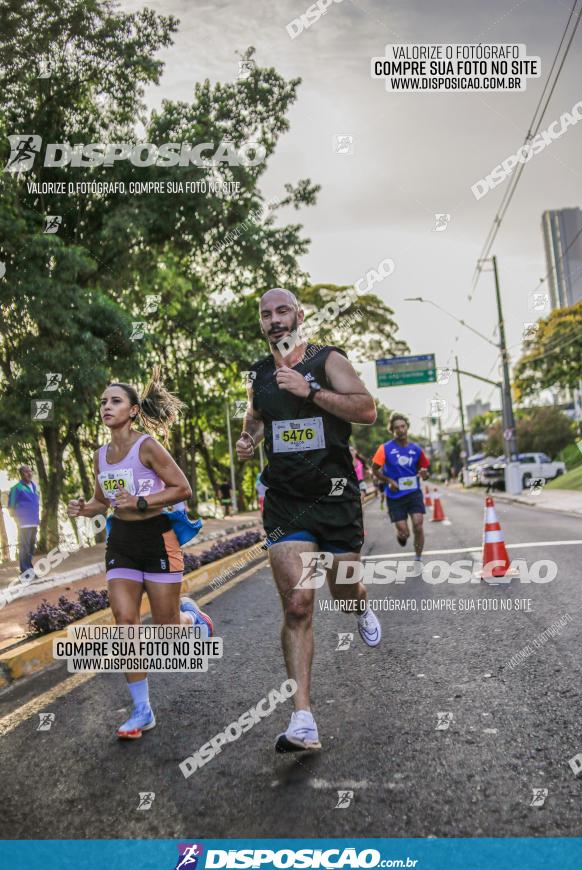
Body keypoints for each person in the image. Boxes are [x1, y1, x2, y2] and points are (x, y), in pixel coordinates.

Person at [236, 287, 381, 753]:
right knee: (298, 604)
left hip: (336, 499)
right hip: (285, 500)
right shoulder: (258, 374)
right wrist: (247, 439)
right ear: (260, 323)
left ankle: (360, 605)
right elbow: (256, 420)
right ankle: (303, 718)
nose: (275, 319)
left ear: (299, 315)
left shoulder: (325, 359)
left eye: (283, 311)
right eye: (266, 314)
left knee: (343, 589)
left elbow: (366, 408)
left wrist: (312, 390)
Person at [67, 367, 213, 739]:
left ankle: (191, 620)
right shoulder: (100, 456)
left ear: (132, 410)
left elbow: (183, 488)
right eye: (103, 402)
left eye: (115, 401)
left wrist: (144, 499)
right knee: (125, 622)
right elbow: (103, 501)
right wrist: (85, 508)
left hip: (157, 539)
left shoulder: (147, 446)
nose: (106, 406)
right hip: (122, 544)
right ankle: (142, 710)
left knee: (166, 632)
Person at [372, 412, 430, 563]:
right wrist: (389, 480)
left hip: (413, 494)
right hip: (394, 496)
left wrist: (424, 474)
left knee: (418, 525)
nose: (400, 429)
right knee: (405, 532)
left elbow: (424, 471)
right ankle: (401, 535)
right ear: (392, 430)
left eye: (403, 426)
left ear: (407, 427)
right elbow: (374, 469)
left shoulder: (416, 449)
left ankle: (418, 558)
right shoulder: (384, 449)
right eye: (396, 427)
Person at [8, 466, 40, 576]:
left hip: (34, 521)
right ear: (21, 474)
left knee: (31, 547)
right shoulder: (16, 488)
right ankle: (25, 571)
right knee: (24, 547)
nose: (29, 474)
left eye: (30, 471)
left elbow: (35, 503)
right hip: (23, 523)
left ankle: (29, 569)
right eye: (26, 472)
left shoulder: (34, 486)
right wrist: (17, 520)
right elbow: (11, 506)